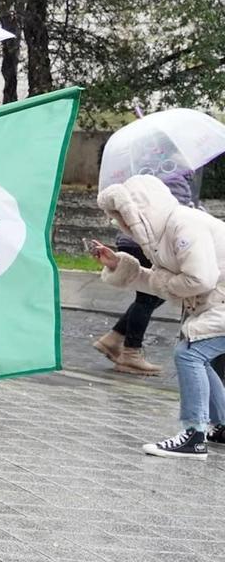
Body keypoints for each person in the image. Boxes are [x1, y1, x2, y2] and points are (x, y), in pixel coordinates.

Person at [91, 174, 225, 458]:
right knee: (199, 355)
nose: (122, 224)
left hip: (218, 302)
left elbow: (200, 278)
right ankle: (221, 426)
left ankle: (194, 435)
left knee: (189, 354)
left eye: (124, 216)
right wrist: (118, 265)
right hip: (215, 303)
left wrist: (162, 280)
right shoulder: (161, 234)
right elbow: (158, 281)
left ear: (141, 211)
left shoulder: (182, 224)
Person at [95, 141, 206, 379]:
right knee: (149, 298)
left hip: (131, 240)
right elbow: (173, 211)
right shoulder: (171, 174)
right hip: (146, 242)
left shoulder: (145, 170)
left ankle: (114, 339)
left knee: (150, 297)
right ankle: (130, 353)